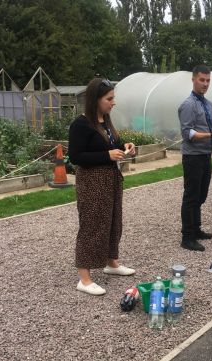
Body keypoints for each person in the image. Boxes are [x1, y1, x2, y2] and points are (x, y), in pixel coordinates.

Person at [68, 78, 136, 295]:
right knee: (92, 225)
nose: (113, 102)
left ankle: (111, 262)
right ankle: (84, 278)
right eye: (109, 99)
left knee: (113, 221)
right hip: (92, 183)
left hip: (111, 180)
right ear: (96, 99)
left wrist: (125, 146)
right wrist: (107, 155)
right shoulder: (81, 124)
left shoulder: (105, 121)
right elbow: (76, 157)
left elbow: (112, 145)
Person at [178, 65, 212, 251]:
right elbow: (187, 133)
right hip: (193, 157)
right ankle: (187, 237)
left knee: (201, 195)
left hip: (205, 155)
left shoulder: (209, 105)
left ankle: (196, 229)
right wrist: (211, 135)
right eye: (202, 80)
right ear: (193, 80)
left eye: (208, 80)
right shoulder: (188, 105)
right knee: (191, 196)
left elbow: (211, 129)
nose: (205, 84)